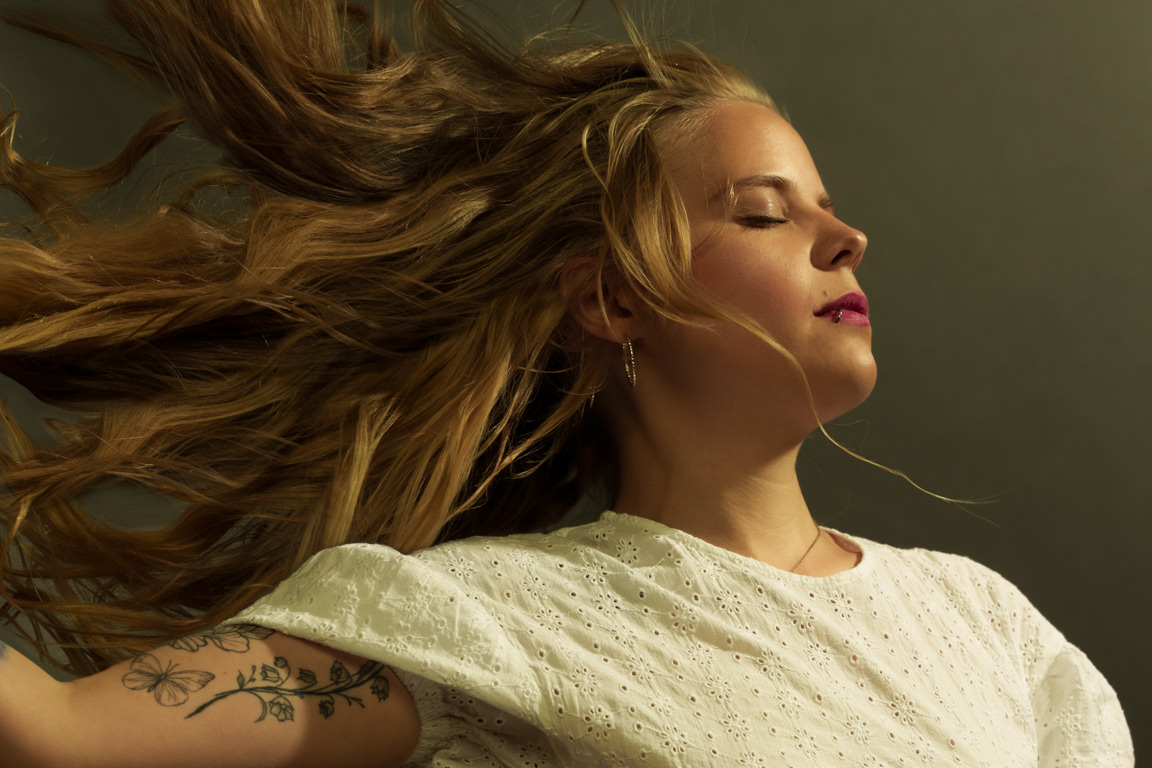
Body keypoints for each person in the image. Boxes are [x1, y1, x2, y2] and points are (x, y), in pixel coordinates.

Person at [0, 1, 1132, 765]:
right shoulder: (485, 621)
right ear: (614, 300)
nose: (849, 240)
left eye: (828, 209)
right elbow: (57, 735)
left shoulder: (987, 624)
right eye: (764, 212)